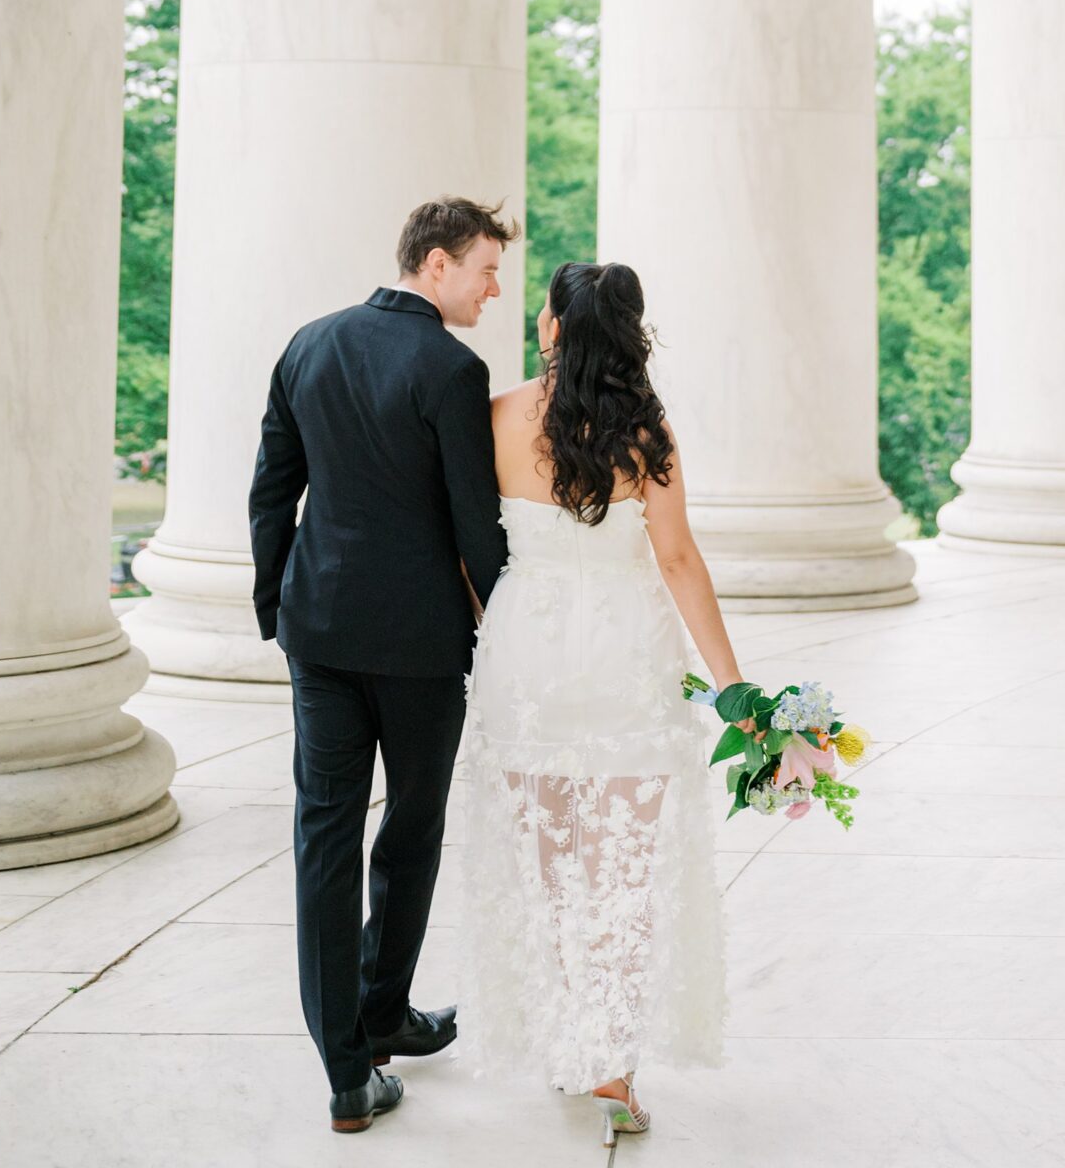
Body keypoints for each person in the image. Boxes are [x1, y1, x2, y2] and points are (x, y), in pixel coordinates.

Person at [249, 196, 515, 1135]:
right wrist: (509, 622)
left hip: (315, 629)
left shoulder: (308, 343)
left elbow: (273, 484)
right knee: (409, 831)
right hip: (417, 646)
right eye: (485, 268)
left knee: (323, 838)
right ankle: (379, 1011)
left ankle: (348, 1064)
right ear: (435, 263)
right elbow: (473, 518)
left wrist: (272, 599)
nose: (493, 287)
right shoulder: (450, 367)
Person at [454, 259, 735, 1146]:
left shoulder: (497, 417)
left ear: (553, 329)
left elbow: (470, 552)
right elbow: (679, 562)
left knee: (549, 866)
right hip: (625, 662)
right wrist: (733, 687)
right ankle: (610, 1065)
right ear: (627, 334)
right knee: (621, 872)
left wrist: (491, 627)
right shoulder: (647, 435)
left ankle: (568, 1044)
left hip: (527, 658)